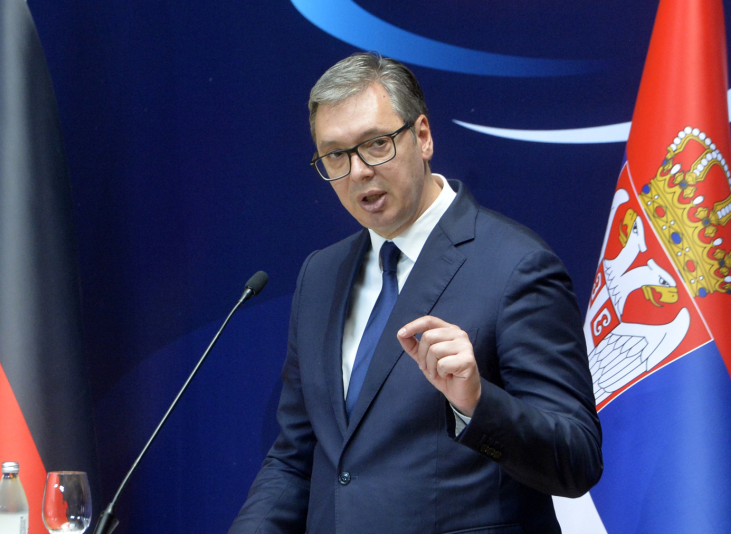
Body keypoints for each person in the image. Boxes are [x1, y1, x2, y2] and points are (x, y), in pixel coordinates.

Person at [230, 52, 602, 534]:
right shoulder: (320, 275)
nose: (358, 171)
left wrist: (476, 403)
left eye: (376, 144)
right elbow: (296, 457)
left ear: (422, 136)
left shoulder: (515, 266)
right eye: (335, 155)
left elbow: (577, 458)